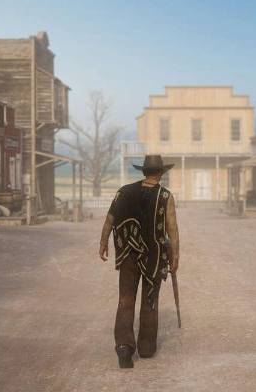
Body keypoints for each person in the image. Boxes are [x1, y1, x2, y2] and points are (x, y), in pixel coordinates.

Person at [99, 154, 180, 369]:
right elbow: (172, 229)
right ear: (161, 173)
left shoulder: (124, 192)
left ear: (143, 171)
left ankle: (124, 348)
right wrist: (175, 256)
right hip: (154, 257)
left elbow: (110, 219)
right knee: (150, 301)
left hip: (128, 254)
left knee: (125, 299)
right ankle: (146, 347)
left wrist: (103, 241)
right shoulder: (165, 196)